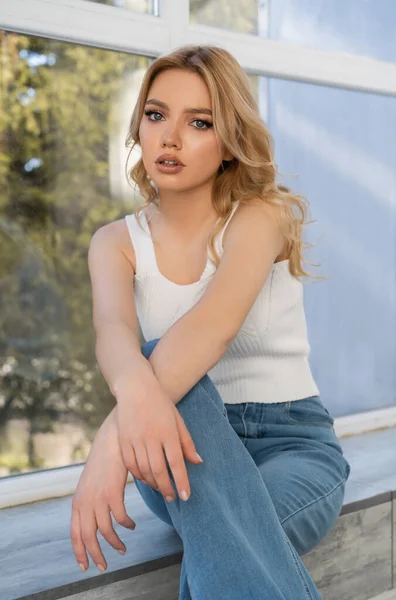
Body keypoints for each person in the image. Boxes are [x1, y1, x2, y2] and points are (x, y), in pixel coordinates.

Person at [70, 44, 351, 600]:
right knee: (167, 375)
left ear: (229, 142)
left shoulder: (261, 217)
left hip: (290, 443)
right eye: (156, 115)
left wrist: (108, 444)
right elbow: (114, 336)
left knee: (228, 536)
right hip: (177, 448)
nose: (169, 138)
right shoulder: (114, 244)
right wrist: (133, 419)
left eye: (199, 122)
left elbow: (211, 327)